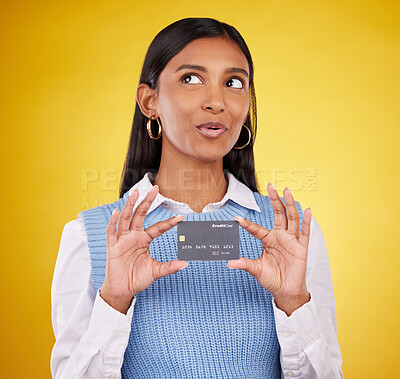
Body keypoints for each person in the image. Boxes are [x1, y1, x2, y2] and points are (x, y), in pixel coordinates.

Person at [50, 17, 343, 378]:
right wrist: (114, 301)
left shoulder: (291, 233)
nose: (217, 101)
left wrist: (293, 301)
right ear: (149, 100)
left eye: (233, 82)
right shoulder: (92, 237)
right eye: (191, 79)